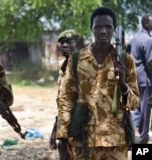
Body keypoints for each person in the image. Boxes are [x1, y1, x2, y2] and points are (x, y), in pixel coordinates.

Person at [56, 7, 140, 159]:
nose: (103, 31)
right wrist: (62, 137)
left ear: (114, 29)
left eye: (108, 27)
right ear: (91, 29)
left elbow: (134, 104)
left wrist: (122, 85)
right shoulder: (76, 60)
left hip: (115, 143)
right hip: (83, 141)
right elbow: (66, 100)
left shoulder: (125, 61)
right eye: (98, 27)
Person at [49, 29, 80, 160]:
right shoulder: (64, 68)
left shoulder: (83, 66)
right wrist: (56, 129)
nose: (65, 45)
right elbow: (63, 104)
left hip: (80, 128)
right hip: (65, 127)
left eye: (69, 42)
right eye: (62, 43)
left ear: (77, 44)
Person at [129, 14, 152, 143]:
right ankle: (143, 138)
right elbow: (150, 62)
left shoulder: (135, 38)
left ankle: (131, 135)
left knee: (137, 108)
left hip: (135, 78)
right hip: (146, 79)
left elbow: (127, 53)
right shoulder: (148, 40)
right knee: (146, 109)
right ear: (146, 23)